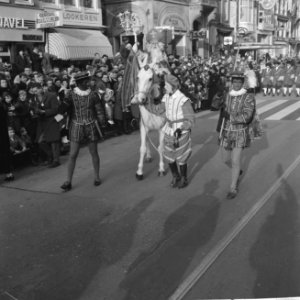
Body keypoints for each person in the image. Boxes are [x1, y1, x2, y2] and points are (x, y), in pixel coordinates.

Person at [60, 71, 106, 191]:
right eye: (87, 81)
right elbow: (63, 109)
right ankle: (68, 181)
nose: (89, 82)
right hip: (76, 125)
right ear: (81, 82)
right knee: (73, 154)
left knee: (94, 152)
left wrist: (102, 123)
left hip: (91, 125)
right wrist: (59, 112)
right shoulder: (70, 94)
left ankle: (96, 177)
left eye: (89, 80)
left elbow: (99, 110)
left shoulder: (93, 95)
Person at [218, 71, 255, 199]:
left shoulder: (248, 97)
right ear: (232, 82)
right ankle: (237, 170)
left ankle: (233, 188)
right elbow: (214, 106)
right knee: (225, 160)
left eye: (239, 82)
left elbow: (248, 115)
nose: (237, 84)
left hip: (240, 132)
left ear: (243, 82)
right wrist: (218, 96)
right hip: (227, 131)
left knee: (235, 160)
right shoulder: (227, 94)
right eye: (235, 81)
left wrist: (231, 117)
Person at [162, 74, 195, 188]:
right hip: (168, 130)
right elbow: (159, 110)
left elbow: (190, 119)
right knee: (169, 155)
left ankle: (184, 178)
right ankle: (175, 176)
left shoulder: (183, 100)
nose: (164, 87)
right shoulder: (166, 97)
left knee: (182, 156)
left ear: (173, 86)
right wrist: (145, 104)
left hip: (181, 132)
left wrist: (181, 128)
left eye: (166, 85)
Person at [0, 101, 14, 181]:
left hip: (2, 134)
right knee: (5, 153)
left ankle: (8, 173)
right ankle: (9, 173)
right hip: (3, 134)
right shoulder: (2, 106)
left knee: (4, 153)